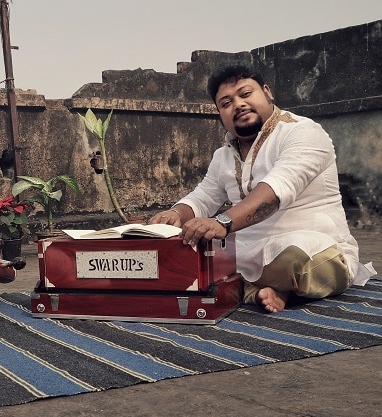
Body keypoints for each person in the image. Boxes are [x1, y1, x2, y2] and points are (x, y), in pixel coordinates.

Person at [149, 60, 375, 313]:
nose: (238, 105)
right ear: (219, 113)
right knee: (196, 254)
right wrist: (176, 213)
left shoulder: (303, 132)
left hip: (310, 246)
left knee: (294, 259)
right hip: (246, 253)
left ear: (267, 92)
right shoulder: (222, 156)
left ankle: (244, 287)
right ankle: (265, 290)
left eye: (246, 94)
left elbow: (277, 189)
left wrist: (222, 222)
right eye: (226, 103)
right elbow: (203, 196)